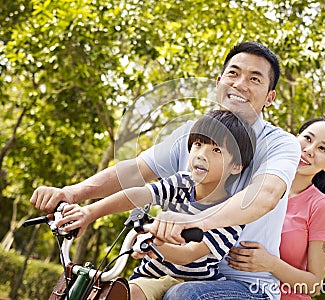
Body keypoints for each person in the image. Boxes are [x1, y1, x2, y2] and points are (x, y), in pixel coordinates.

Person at [30, 41, 301, 298]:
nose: (240, 84)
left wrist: (194, 223)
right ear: (219, 83)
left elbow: (265, 194)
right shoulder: (193, 134)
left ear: (270, 97)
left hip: (245, 286)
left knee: (182, 294)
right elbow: (135, 173)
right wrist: (74, 196)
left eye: (255, 79)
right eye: (233, 73)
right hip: (163, 269)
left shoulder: (280, 144)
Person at [56, 110, 256, 300]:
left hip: (194, 284)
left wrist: (152, 244)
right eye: (197, 144)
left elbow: (188, 254)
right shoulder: (180, 183)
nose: (202, 154)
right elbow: (140, 194)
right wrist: (90, 212)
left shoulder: (231, 212)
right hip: (150, 277)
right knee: (116, 291)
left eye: (216, 150)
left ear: (237, 165)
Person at [224, 118, 325, 299]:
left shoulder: (320, 206)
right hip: (230, 286)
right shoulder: (258, 182)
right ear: (295, 138)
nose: (309, 150)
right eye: (308, 139)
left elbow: (314, 286)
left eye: (322, 149)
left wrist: (271, 264)